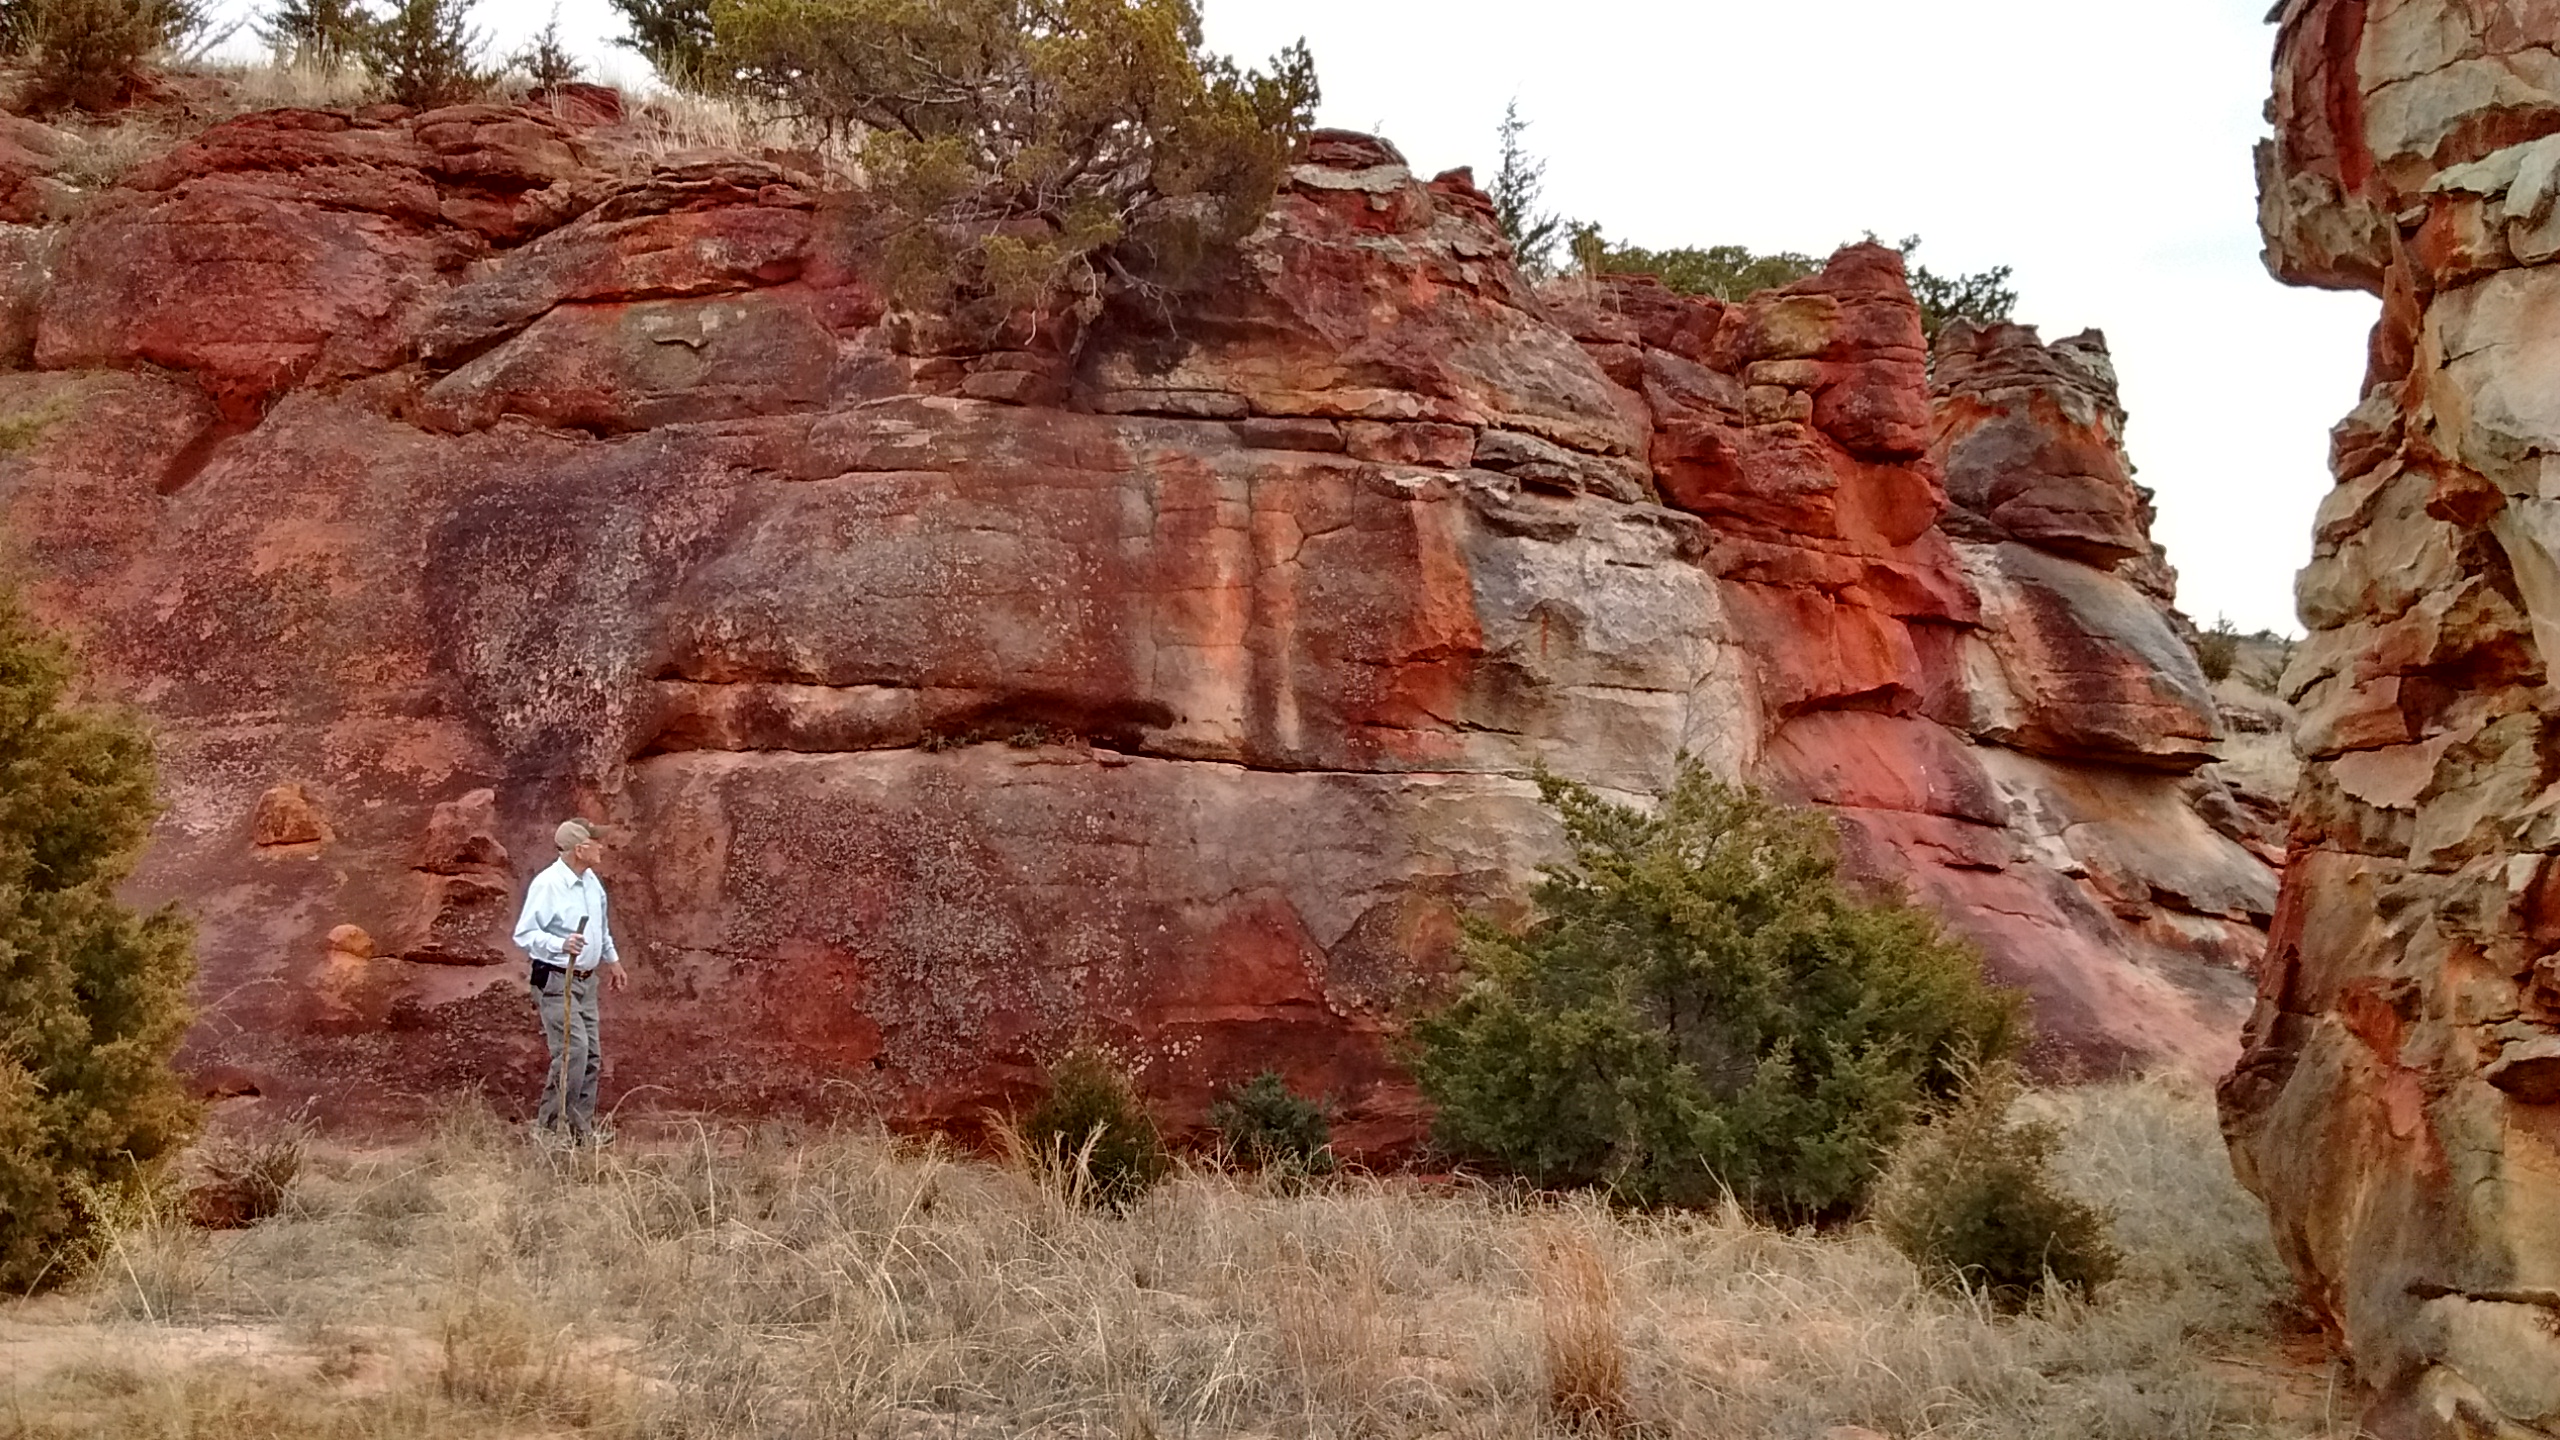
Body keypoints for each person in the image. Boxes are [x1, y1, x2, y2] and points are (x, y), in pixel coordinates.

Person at [512, 818, 629, 1144]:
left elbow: (600, 929)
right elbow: (525, 934)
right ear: (581, 849)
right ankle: (548, 1132)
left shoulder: (592, 882)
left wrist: (613, 961)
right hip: (555, 980)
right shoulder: (548, 884)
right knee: (572, 1051)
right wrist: (559, 944)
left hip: (585, 981)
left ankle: (580, 1133)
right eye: (597, 842)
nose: (602, 847)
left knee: (590, 1054)